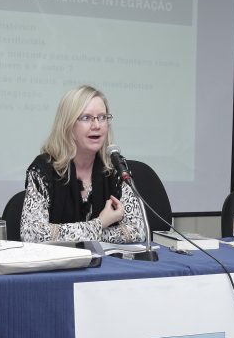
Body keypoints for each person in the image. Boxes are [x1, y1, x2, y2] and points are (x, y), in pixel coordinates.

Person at [20, 85, 146, 243]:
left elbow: (138, 230)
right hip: (61, 266)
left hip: (107, 265)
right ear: (68, 125)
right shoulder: (43, 170)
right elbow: (32, 235)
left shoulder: (115, 167)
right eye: (86, 118)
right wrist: (100, 224)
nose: (97, 125)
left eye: (102, 117)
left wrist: (86, 233)